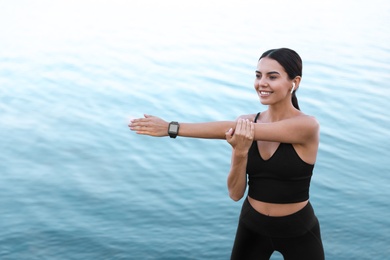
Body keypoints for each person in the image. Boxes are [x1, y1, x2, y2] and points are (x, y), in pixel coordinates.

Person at [129, 48, 325, 259]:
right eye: (258, 75)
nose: (262, 83)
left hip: (298, 229)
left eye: (272, 76)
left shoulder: (306, 126)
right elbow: (235, 194)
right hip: (252, 226)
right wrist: (240, 152)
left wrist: (171, 128)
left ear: (294, 82)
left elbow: (230, 129)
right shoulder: (246, 121)